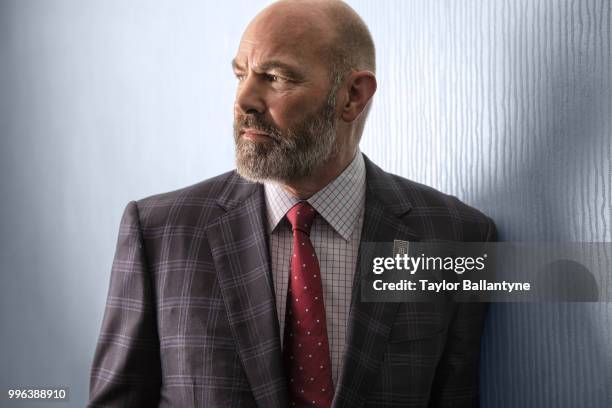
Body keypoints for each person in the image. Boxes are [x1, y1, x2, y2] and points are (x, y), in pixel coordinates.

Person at [88, 0, 497, 407]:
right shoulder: (159, 232)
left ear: (352, 96)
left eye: (276, 78)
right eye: (240, 74)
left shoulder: (456, 237)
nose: (244, 100)